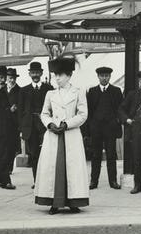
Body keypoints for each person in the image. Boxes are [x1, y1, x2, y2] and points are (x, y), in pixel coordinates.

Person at [34, 56, 89, 214]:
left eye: (60, 75)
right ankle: (54, 202)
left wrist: (67, 124)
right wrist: (50, 124)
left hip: (70, 134)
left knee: (72, 168)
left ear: (69, 75)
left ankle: (74, 201)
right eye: (55, 75)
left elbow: (83, 114)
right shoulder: (50, 94)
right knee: (54, 168)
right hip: (53, 135)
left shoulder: (78, 92)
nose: (57, 78)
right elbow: (44, 113)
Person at [86, 66, 124, 190]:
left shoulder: (116, 91)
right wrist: (90, 126)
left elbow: (120, 109)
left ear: (110, 77)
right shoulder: (92, 91)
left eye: (106, 76)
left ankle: (113, 181)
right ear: (98, 77)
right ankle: (94, 181)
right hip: (96, 128)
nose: (104, 78)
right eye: (102, 76)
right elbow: (88, 111)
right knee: (95, 155)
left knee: (111, 155)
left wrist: (116, 122)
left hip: (110, 129)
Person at [19, 61, 53, 188]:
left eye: (37, 72)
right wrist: (21, 129)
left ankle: (47, 180)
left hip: (45, 125)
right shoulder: (23, 91)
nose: (35, 75)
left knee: (47, 154)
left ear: (41, 73)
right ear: (29, 74)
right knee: (34, 154)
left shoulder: (48, 89)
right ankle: (37, 181)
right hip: (30, 126)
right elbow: (21, 112)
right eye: (33, 73)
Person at [5, 67, 21, 180]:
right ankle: (4, 167)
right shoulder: (2, 90)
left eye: (13, 78)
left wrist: (17, 108)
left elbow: (22, 105)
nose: (12, 80)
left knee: (11, 147)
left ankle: (9, 168)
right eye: (10, 78)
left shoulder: (20, 91)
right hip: (3, 123)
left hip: (14, 123)